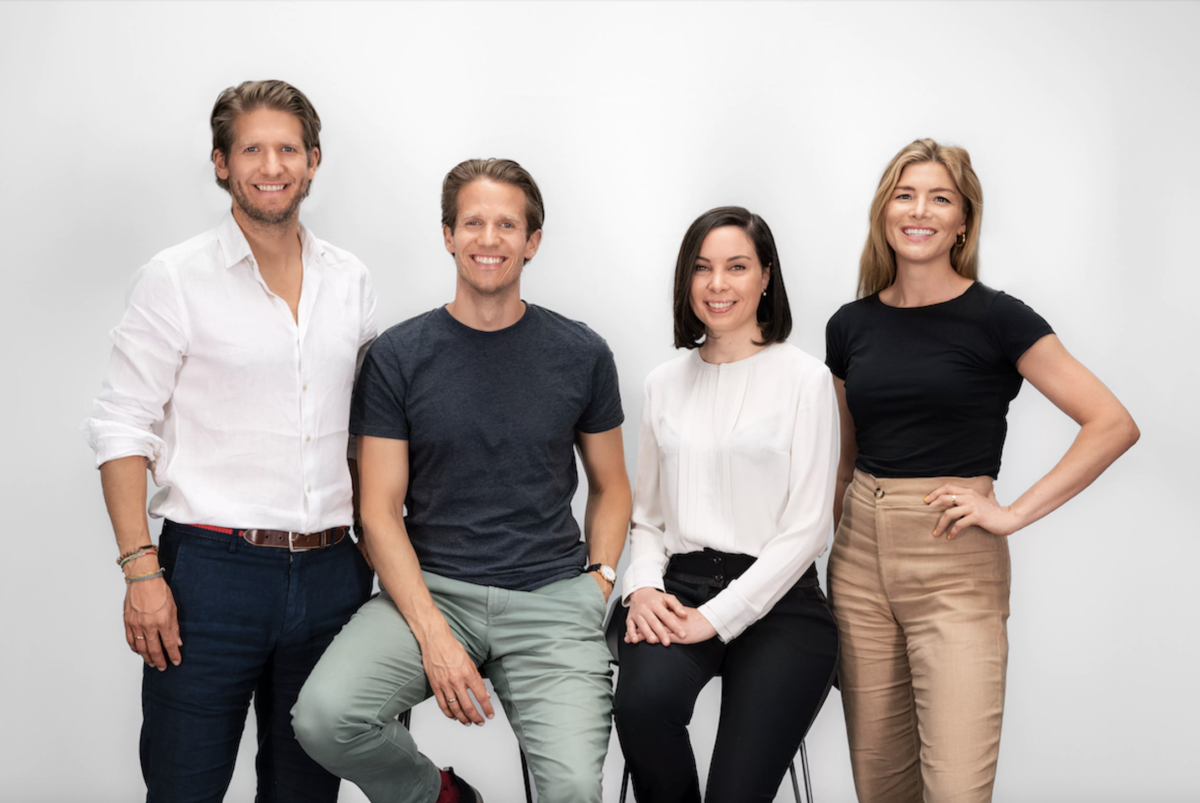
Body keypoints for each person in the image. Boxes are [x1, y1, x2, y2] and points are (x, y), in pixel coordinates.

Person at [292, 158, 631, 803]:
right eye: (473, 222)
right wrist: (432, 633)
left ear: (532, 241)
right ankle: (441, 797)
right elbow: (379, 512)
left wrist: (601, 582)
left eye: (507, 224)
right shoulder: (399, 356)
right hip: (433, 591)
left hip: (553, 599)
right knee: (325, 718)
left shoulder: (581, 353)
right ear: (448, 235)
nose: (488, 238)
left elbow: (612, 485)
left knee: (574, 790)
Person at [82, 80, 377, 802]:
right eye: (251, 150)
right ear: (221, 163)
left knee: (306, 789)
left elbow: (369, 429)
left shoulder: (351, 280)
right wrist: (140, 571)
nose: (271, 166)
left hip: (335, 570)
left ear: (313, 161)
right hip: (211, 575)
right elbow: (122, 425)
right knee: (185, 786)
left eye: (288, 149)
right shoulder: (174, 279)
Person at [825, 138, 1140, 803]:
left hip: (954, 559)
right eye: (905, 195)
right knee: (880, 788)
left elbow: (1111, 422)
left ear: (964, 221)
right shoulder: (849, 325)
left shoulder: (997, 317)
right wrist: (831, 551)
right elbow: (845, 460)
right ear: (884, 210)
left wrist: (1012, 513)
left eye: (940, 198)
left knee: (956, 788)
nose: (920, 211)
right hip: (857, 565)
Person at [613, 207, 841, 803]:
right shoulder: (663, 383)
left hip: (781, 602)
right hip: (679, 589)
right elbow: (649, 517)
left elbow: (809, 527)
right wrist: (643, 588)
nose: (717, 284)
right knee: (641, 708)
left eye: (737, 267)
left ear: (766, 277)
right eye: (702, 268)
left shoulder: (806, 378)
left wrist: (717, 617)